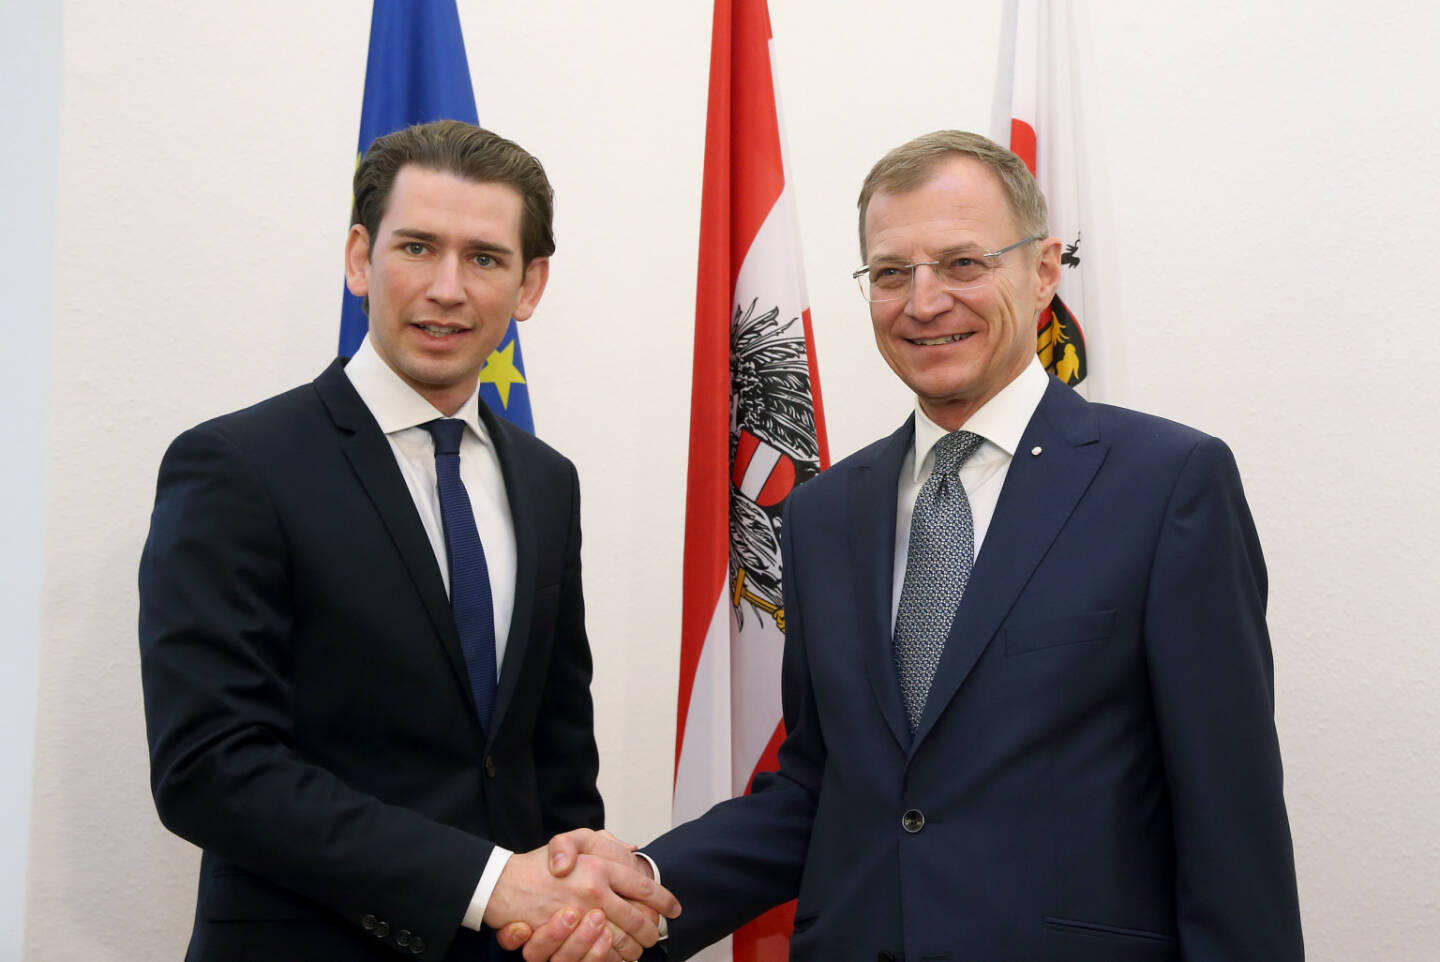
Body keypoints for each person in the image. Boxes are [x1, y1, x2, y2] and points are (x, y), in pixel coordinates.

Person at [522, 130, 1305, 961]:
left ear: (1042, 272)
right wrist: (637, 886)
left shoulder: (1167, 483)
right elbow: (821, 786)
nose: (924, 302)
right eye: (892, 272)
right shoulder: (824, 512)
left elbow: (1230, 814)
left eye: (963, 263)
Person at [138, 120, 677, 962]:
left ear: (530, 285)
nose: (448, 288)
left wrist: (579, 904)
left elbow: (553, 750)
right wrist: (489, 882)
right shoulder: (238, 466)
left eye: (486, 258)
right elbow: (209, 769)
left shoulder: (546, 479)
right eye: (418, 247)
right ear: (360, 257)